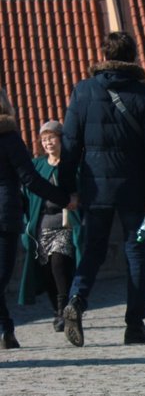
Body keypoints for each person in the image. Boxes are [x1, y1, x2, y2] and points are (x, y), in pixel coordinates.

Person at [58, 31, 145, 347]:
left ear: (103, 54)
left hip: (95, 190)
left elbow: (69, 145)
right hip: (135, 193)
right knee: (136, 251)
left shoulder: (83, 92)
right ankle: (134, 325)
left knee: (93, 249)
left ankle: (76, 300)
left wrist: (68, 190)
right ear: (133, 57)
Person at [0, 89, 72, 348]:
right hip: (5, 215)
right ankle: (5, 330)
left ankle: (5, 330)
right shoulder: (9, 139)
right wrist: (64, 199)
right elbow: (30, 179)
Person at [18, 121, 83, 332]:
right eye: (44, 139)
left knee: (58, 265)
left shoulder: (72, 164)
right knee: (46, 270)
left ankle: (65, 309)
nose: (48, 143)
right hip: (42, 224)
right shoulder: (38, 165)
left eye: (51, 138)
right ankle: (56, 310)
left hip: (65, 223)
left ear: (61, 139)